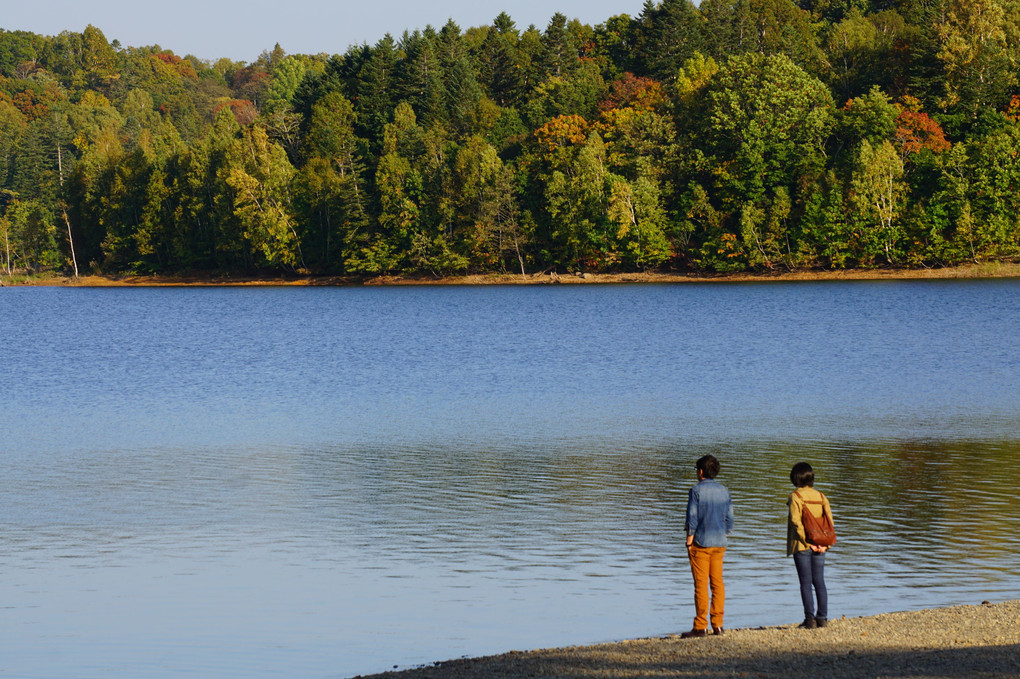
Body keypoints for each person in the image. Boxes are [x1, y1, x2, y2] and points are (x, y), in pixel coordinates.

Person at [681, 454, 734, 638]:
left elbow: (692, 519)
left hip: (701, 544)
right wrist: (723, 532)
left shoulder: (696, 491)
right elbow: (730, 519)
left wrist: (689, 542)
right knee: (717, 583)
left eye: (697, 470)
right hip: (720, 543)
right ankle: (718, 625)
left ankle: (700, 625)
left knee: (701, 584)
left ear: (701, 472)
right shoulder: (725, 491)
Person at [787, 461, 833, 629]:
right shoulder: (821, 496)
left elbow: (795, 522)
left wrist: (807, 542)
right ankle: (822, 617)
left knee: (806, 583)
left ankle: (809, 619)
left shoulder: (795, 496)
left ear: (795, 478)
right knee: (819, 581)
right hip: (821, 545)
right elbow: (829, 522)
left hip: (802, 545)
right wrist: (824, 545)